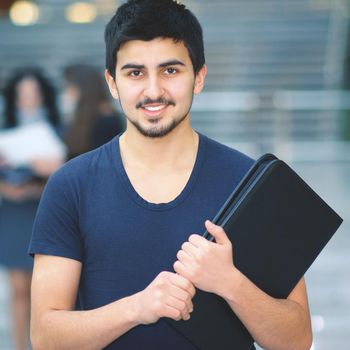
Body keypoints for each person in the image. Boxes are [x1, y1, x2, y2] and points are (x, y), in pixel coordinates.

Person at [29, 1, 313, 349]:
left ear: (199, 77)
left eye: (170, 71)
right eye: (135, 73)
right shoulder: (71, 185)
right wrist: (138, 307)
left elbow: (296, 340)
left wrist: (230, 283)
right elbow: (44, 337)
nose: (152, 91)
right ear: (113, 83)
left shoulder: (249, 183)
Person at [0, 68, 64, 350]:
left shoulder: (58, 128)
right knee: (17, 290)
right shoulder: (4, 129)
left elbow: (69, 174)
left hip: (44, 211)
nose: (29, 100)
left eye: (34, 95)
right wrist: (6, 189)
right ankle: (18, 346)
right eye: (23, 95)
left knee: (44, 292)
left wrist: (47, 174)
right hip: (14, 213)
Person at [61, 64, 124, 159]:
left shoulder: (106, 119)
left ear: (84, 88)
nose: (68, 92)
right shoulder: (82, 115)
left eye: (71, 87)